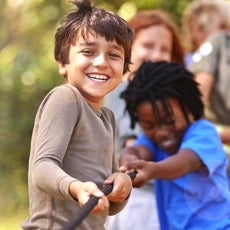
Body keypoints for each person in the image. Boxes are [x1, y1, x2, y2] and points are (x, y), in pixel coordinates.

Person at [21, 0, 134, 229]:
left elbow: (106, 201)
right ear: (63, 62)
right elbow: (42, 169)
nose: (101, 62)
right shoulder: (66, 98)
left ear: (124, 69)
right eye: (88, 51)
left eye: (114, 55)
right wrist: (76, 188)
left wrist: (122, 187)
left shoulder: (107, 118)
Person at [120, 61, 230, 230]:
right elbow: (136, 150)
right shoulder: (154, 141)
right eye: (149, 126)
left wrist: (152, 170)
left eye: (169, 121)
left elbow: (185, 162)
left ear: (190, 109)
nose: (161, 132)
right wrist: (129, 161)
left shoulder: (204, 133)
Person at [104, 9, 184, 230]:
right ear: (128, 48)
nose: (157, 55)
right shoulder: (124, 88)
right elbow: (132, 144)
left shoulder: (166, 100)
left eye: (164, 49)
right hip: (140, 203)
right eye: (148, 45)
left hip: (167, 201)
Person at [182, 0, 230, 155]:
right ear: (198, 30)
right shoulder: (218, 40)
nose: (227, 34)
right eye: (223, 27)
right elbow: (199, 92)